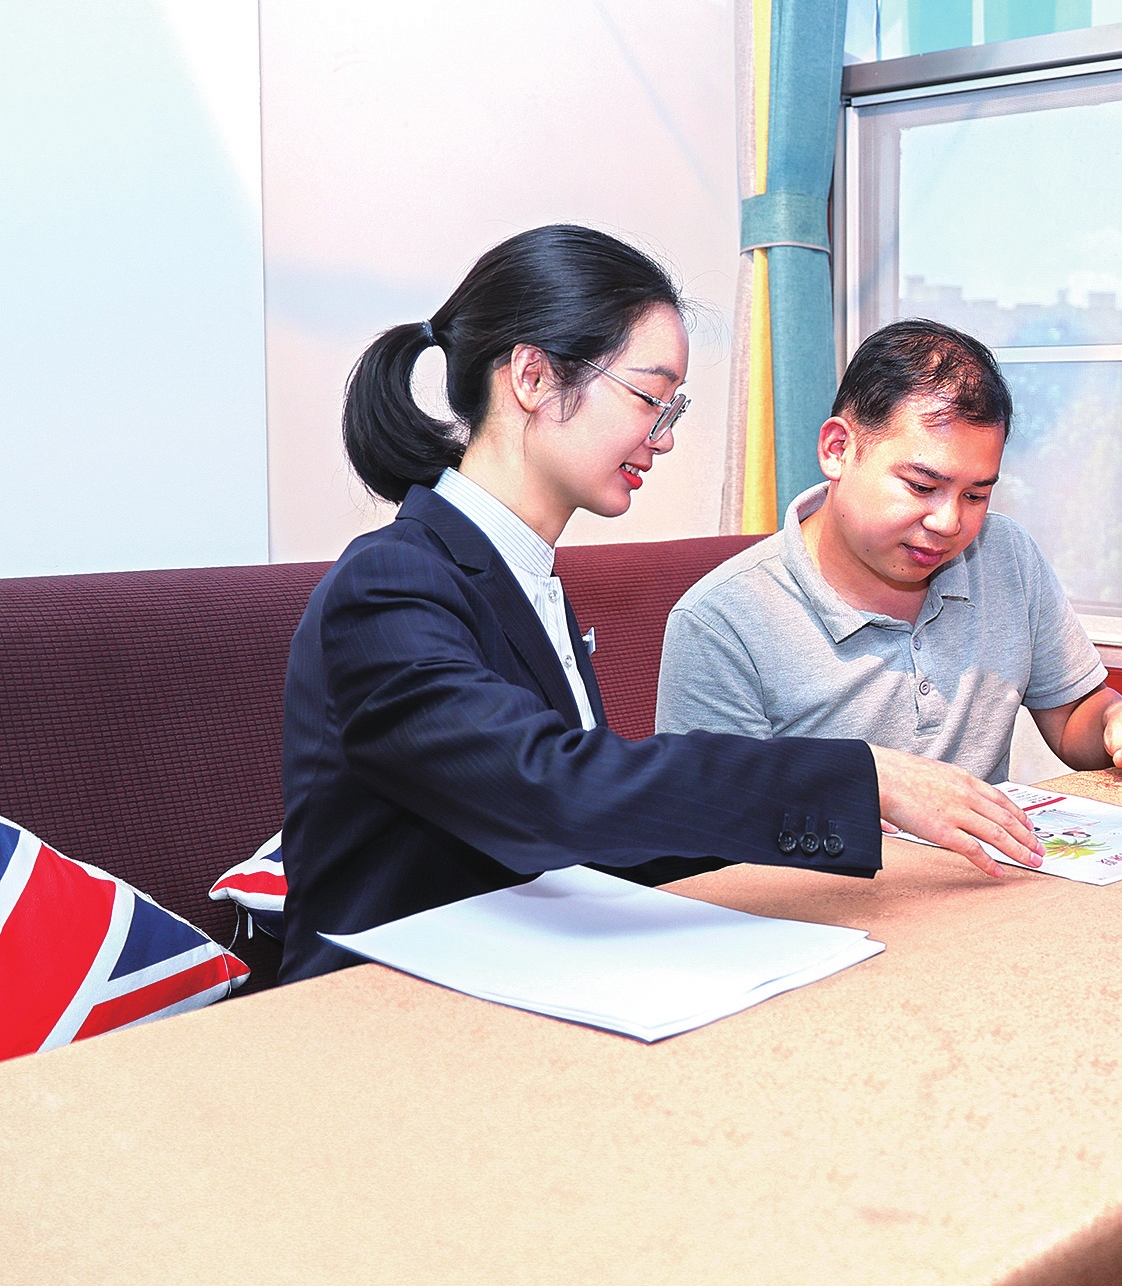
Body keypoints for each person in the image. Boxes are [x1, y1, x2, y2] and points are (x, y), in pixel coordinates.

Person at [279, 226, 1043, 983]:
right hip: (379, 1000)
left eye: (671, 408)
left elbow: (606, 824)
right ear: (533, 377)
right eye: (649, 397)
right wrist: (860, 778)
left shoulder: (524, 579)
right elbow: (549, 790)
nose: (664, 436)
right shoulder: (387, 581)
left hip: (516, 967)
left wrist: (850, 840)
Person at [655, 318, 1122, 782]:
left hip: (985, 877)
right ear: (838, 449)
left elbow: (1071, 716)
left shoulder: (1005, 556)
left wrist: (1117, 718)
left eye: (976, 495)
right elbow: (712, 828)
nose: (949, 523)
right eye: (923, 486)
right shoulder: (722, 622)